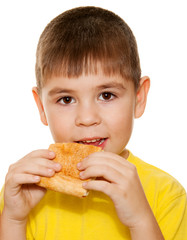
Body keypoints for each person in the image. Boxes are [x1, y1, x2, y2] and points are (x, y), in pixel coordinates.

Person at [0, 6, 186, 240]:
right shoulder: (23, 192)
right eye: (66, 99)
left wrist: (140, 220)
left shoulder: (166, 194)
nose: (87, 118)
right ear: (41, 107)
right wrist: (14, 219)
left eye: (106, 95)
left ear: (139, 98)